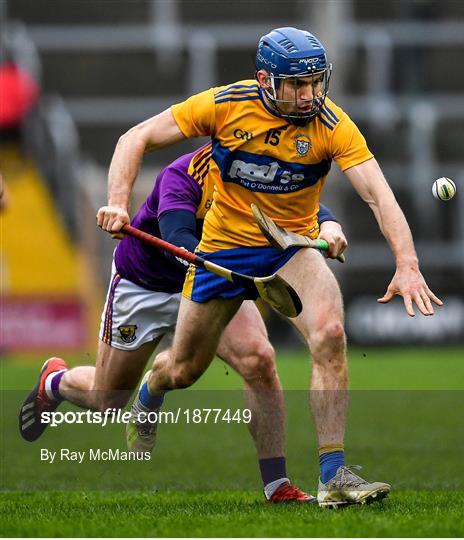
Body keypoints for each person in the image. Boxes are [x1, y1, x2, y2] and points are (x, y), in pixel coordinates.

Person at [97, 27, 442, 507]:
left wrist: (406, 263)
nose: (309, 96)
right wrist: (117, 203)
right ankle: (154, 384)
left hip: (289, 248)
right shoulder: (223, 105)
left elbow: (378, 194)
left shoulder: (333, 124)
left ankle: (332, 476)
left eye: (317, 83)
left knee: (329, 334)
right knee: (184, 370)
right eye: (296, 86)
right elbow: (134, 138)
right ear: (265, 80)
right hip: (219, 252)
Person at [18, 142, 345, 503]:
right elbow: (178, 237)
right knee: (107, 399)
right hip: (145, 285)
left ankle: (276, 486)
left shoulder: (258, 174)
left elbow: (303, 207)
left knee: (259, 359)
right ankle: (54, 382)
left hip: (212, 282)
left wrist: (328, 224)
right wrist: (233, 267)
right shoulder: (181, 176)